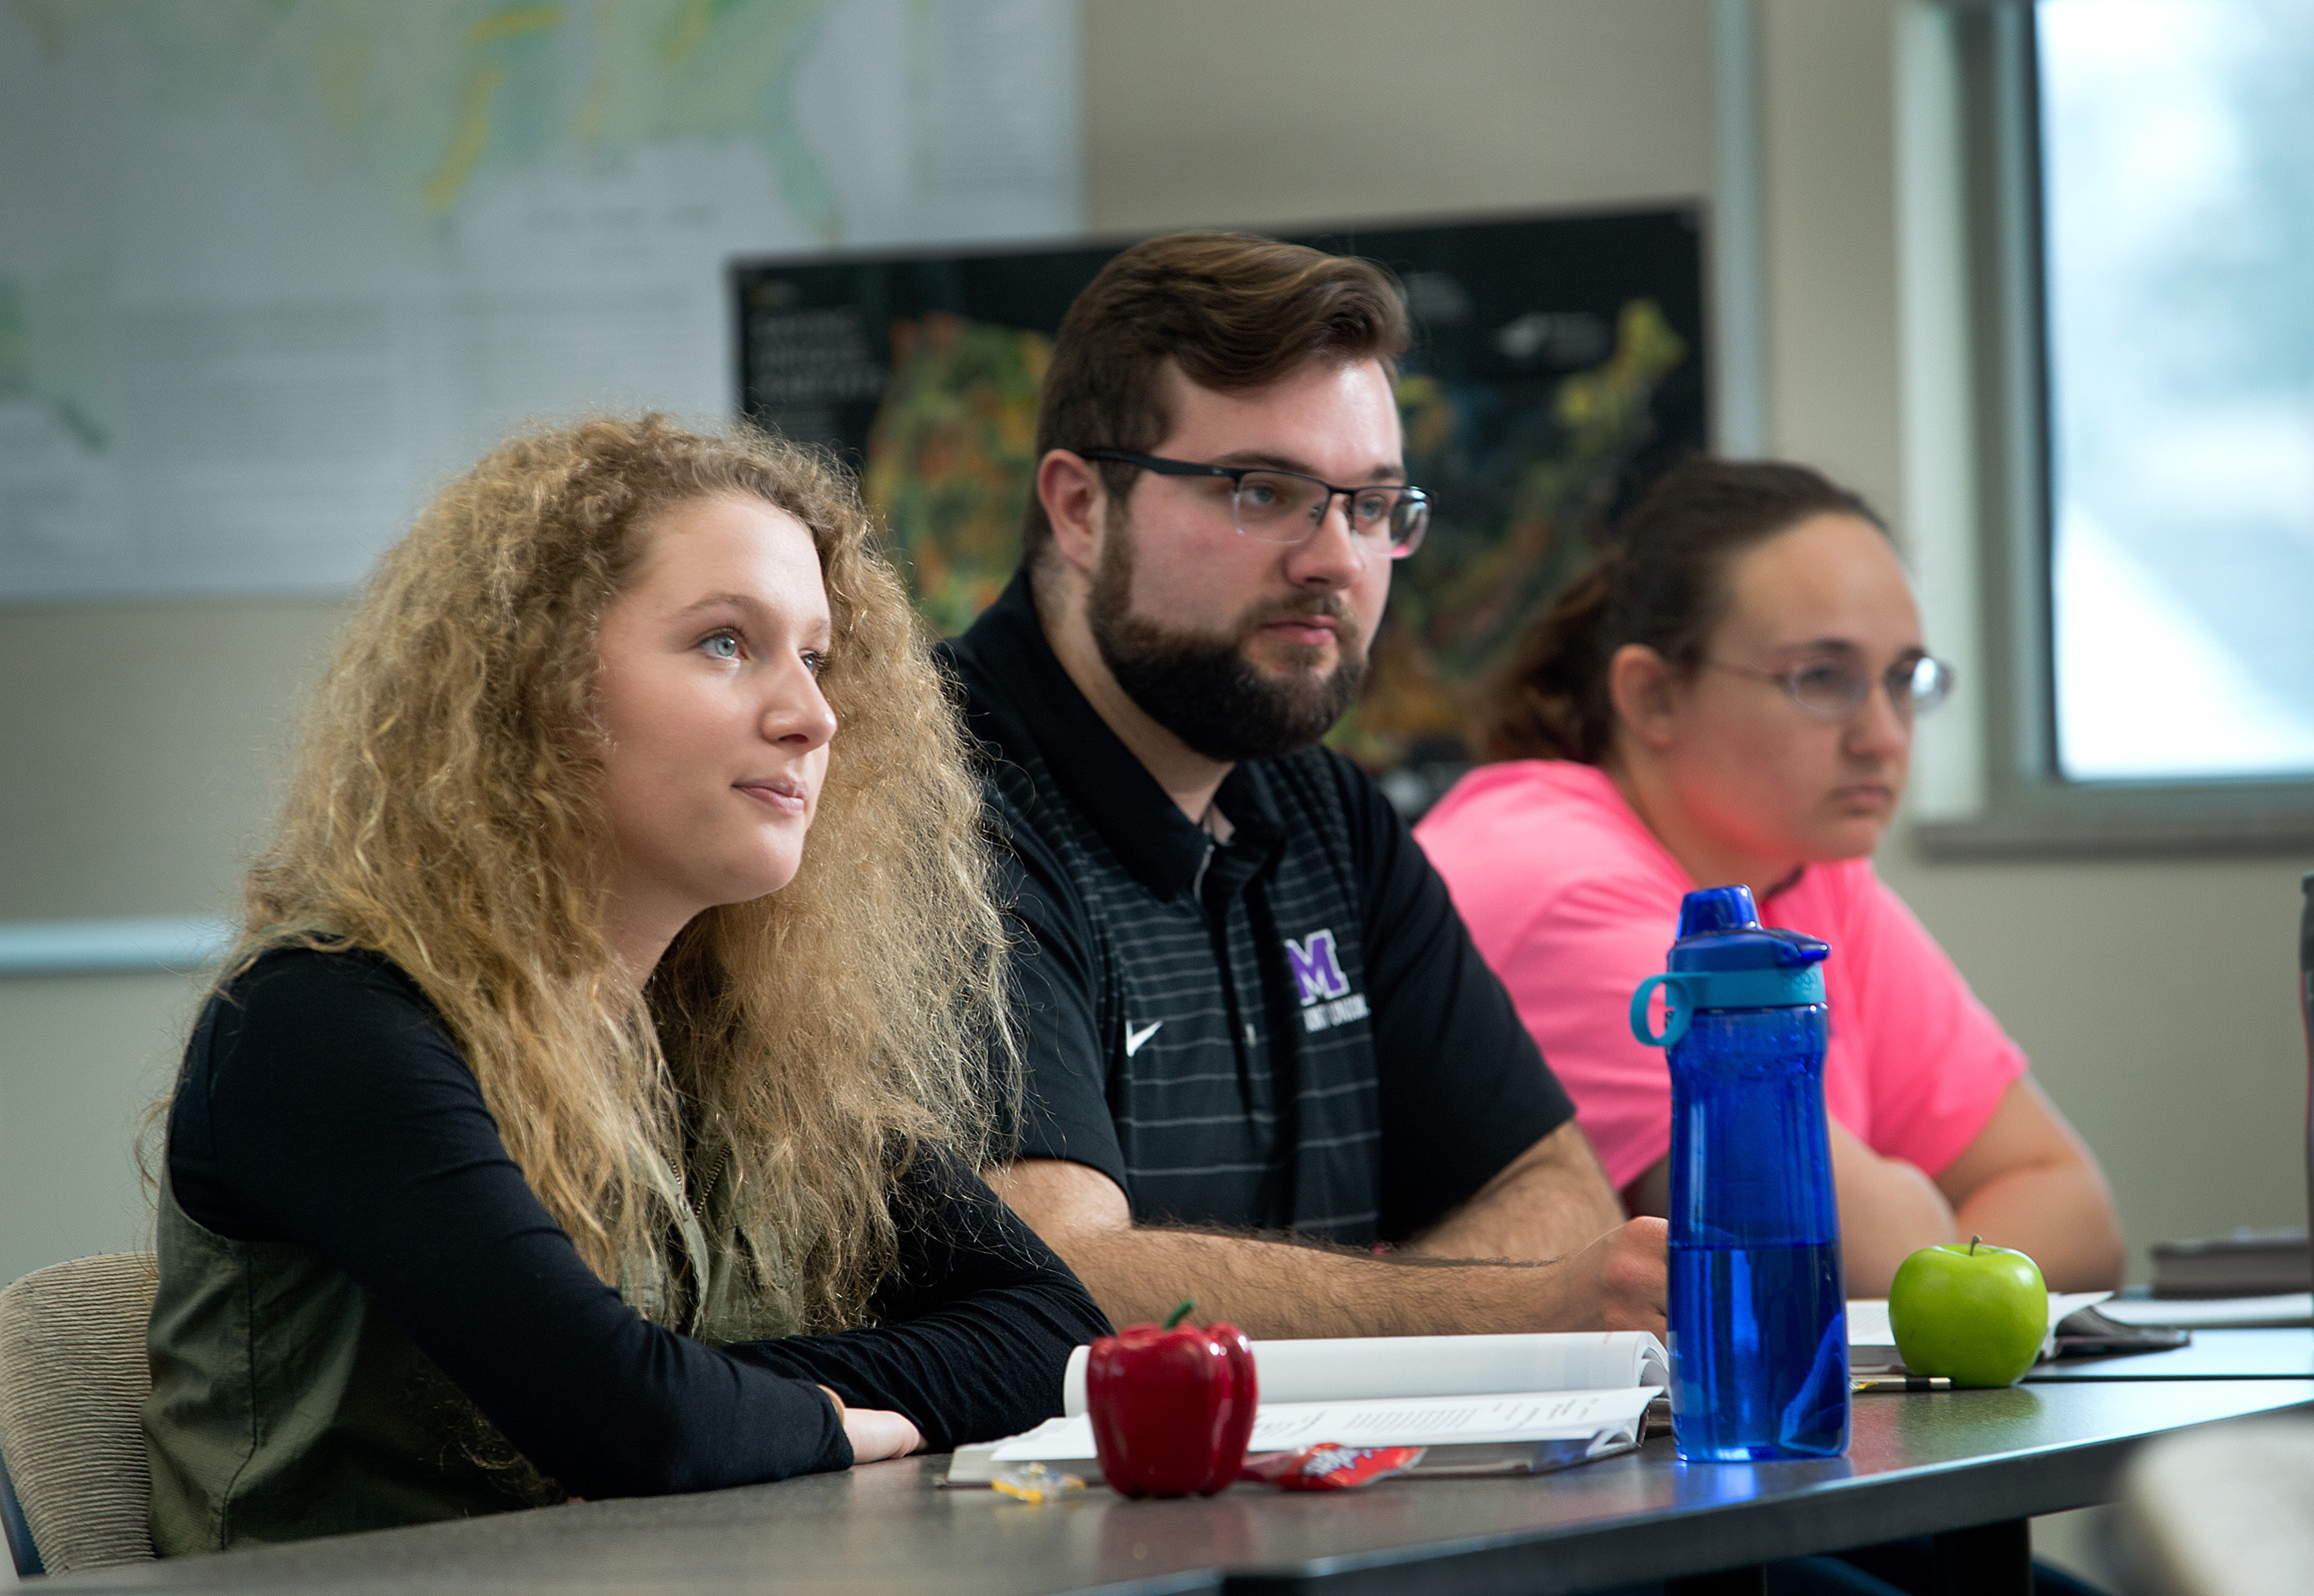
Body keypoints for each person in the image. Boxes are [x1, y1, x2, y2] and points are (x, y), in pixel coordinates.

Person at [142, 416, 1110, 1554]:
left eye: (815, 653)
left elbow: (1052, 1333)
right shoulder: (322, 1016)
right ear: (536, 683)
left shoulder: (732, 1037)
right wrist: (769, 1418)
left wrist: (736, 1404)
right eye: (723, 643)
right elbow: (638, 1425)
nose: (812, 713)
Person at [941, 231, 1667, 1339]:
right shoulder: (939, 796)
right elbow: (1063, 1277)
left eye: (1372, 506)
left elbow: (1559, 1192)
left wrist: (1450, 1298)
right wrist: (1507, 1305)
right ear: (1081, 508)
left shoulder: (1326, 811)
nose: (1335, 558)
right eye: (1261, 491)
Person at [1416, 458, 2125, 1295]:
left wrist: (1922, 1232)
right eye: (1821, 678)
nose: (1884, 736)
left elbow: (2077, 1211)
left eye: (1902, 680)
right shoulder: (1556, 882)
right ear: (1652, 697)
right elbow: (1857, 1258)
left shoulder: (1803, 870)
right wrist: (1926, 1219)